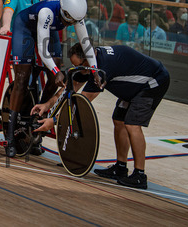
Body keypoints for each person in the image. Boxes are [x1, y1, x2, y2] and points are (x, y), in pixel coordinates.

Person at [33, 43, 170, 189]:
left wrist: (54, 121)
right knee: (118, 120)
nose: (78, 69)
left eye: (79, 66)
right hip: (135, 84)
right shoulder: (89, 64)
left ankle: (140, 175)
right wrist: (47, 105)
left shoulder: (101, 69)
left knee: (132, 124)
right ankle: (121, 167)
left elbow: (81, 105)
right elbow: (67, 90)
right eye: (74, 65)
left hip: (152, 82)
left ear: (88, 60)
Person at [4, 0, 99, 157]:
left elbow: (86, 44)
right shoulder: (46, 12)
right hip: (25, 28)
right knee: (22, 79)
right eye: (70, 21)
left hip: (50, 29)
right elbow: (42, 51)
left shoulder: (75, 15)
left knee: (55, 79)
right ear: (65, 12)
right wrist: (56, 71)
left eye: (75, 21)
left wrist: (95, 70)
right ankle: (10, 136)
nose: (72, 24)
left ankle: (38, 117)